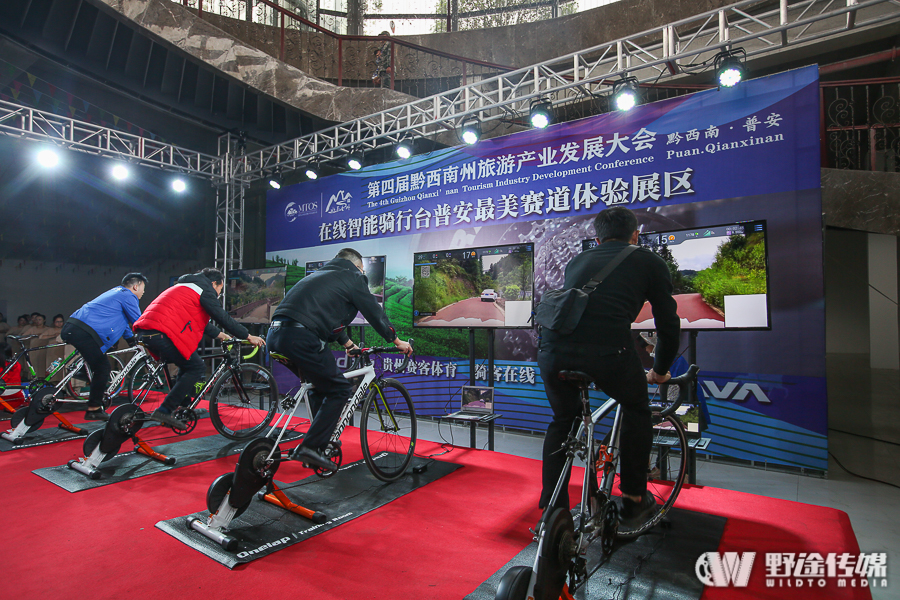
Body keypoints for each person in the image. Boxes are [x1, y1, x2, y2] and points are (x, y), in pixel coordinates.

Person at [537, 207, 680, 528]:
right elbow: (669, 324)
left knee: (562, 421)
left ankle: (553, 509)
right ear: (635, 235)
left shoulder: (578, 261)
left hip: (552, 351)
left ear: (598, 237)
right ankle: (632, 498)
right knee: (636, 407)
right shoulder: (649, 261)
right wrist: (659, 369)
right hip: (608, 352)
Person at [266, 248, 412, 471]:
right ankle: (310, 448)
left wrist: (348, 345)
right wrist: (396, 340)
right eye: (362, 270)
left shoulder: (320, 276)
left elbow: (326, 316)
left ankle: (318, 443)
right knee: (340, 389)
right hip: (301, 337)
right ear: (358, 267)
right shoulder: (353, 276)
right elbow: (374, 312)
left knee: (318, 387)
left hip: (276, 337)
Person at [133, 268, 265, 430]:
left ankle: (184, 406)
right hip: (162, 333)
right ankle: (165, 410)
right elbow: (221, 316)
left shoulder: (185, 287)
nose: (218, 293)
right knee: (196, 367)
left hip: (146, 331)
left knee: (187, 363)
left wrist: (222, 335)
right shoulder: (204, 289)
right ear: (214, 283)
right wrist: (248, 336)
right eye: (220, 289)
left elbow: (200, 321)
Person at [61, 273, 148, 421]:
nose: (143, 292)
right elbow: (139, 322)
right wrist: (153, 335)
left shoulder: (116, 293)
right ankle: (93, 409)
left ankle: (83, 373)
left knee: (97, 359)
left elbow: (126, 323)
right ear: (136, 286)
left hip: (74, 327)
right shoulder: (128, 296)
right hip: (85, 332)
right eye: (143, 289)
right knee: (103, 368)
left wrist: (131, 341)